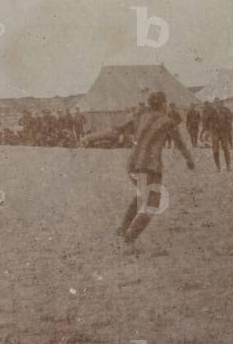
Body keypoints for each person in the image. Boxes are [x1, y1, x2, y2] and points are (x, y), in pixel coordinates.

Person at [81, 91, 195, 245]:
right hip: (150, 167)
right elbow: (180, 144)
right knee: (152, 204)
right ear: (162, 104)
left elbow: (115, 131)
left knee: (142, 195)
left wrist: (90, 137)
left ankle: (123, 228)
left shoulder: (140, 118)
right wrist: (189, 160)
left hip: (132, 166)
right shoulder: (168, 122)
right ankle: (129, 239)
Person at [210, 99, 233, 171]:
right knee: (215, 150)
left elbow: (231, 118)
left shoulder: (226, 110)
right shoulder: (212, 111)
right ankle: (218, 167)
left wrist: (227, 123)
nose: (217, 104)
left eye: (219, 103)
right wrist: (212, 126)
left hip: (224, 132)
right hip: (215, 132)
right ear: (214, 104)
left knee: (226, 149)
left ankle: (228, 166)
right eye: (216, 103)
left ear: (222, 103)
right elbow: (206, 120)